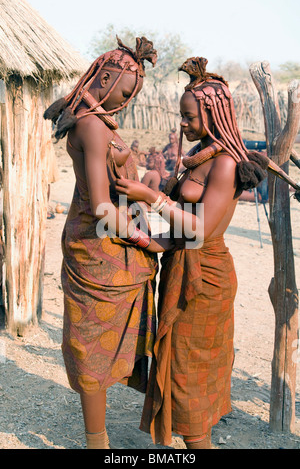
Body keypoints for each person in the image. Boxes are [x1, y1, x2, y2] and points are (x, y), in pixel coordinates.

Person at [115, 56, 278, 450]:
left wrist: (151, 197)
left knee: (190, 374)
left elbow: (202, 231)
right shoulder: (201, 155)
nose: (182, 124)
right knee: (175, 367)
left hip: (205, 279)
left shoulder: (224, 163)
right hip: (182, 263)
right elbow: (180, 230)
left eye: (189, 117)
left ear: (214, 114)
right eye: (180, 116)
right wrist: (141, 234)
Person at [43, 36, 172, 450]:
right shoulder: (93, 125)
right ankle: (97, 445)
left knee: (98, 344)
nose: (127, 99)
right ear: (105, 77)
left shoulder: (96, 120)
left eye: (133, 93)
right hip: (100, 246)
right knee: (92, 348)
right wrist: (145, 236)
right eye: (124, 89)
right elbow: (101, 206)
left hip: (106, 241)